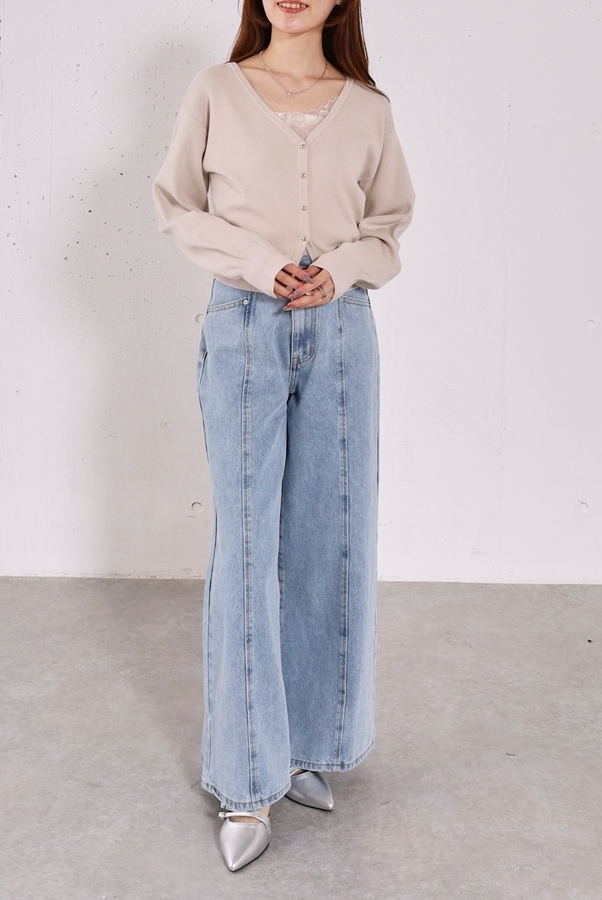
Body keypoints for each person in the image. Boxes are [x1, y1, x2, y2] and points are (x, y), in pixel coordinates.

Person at [153, 0, 414, 872]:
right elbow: (177, 205)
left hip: (342, 335)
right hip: (243, 326)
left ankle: (300, 743)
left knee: (327, 541)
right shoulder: (217, 89)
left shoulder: (368, 109)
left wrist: (338, 270)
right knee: (246, 547)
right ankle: (244, 776)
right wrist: (264, 267)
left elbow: (388, 227)